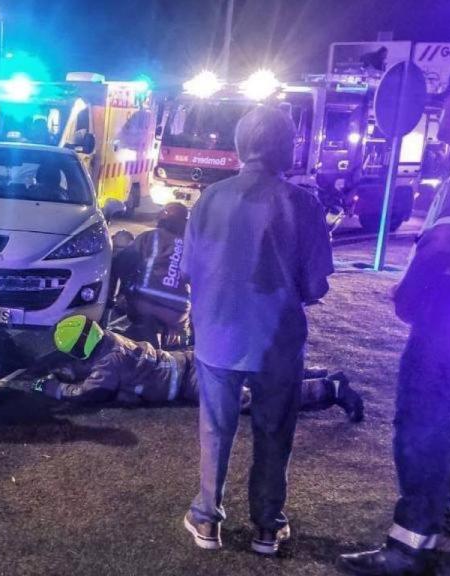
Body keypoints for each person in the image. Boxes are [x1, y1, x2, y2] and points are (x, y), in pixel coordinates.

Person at [338, 70, 450, 575]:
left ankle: (408, 547)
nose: (439, 116)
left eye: (444, 107)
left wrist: (408, 294)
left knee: (420, 422)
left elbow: (447, 241)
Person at [180, 106, 334, 556]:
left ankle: (206, 518)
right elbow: (316, 285)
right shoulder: (303, 204)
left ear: (239, 145)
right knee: (274, 431)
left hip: (217, 334)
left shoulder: (209, 199)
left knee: (215, 428)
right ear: (288, 148)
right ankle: (267, 525)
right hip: (276, 339)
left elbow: (188, 270)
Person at [40, 316, 363, 421]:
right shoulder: (112, 340)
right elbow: (99, 369)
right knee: (257, 373)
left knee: (249, 400)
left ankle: (329, 389)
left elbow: (89, 392)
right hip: (192, 358)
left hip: (189, 381)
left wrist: (53, 388)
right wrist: (73, 372)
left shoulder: (109, 364)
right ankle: (320, 375)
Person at [112, 202, 191, 346]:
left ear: (165, 215)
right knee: (183, 341)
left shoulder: (151, 236)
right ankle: (178, 341)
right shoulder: (191, 245)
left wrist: (122, 292)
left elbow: (124, 262)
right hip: (177, 313)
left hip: (144, 303)